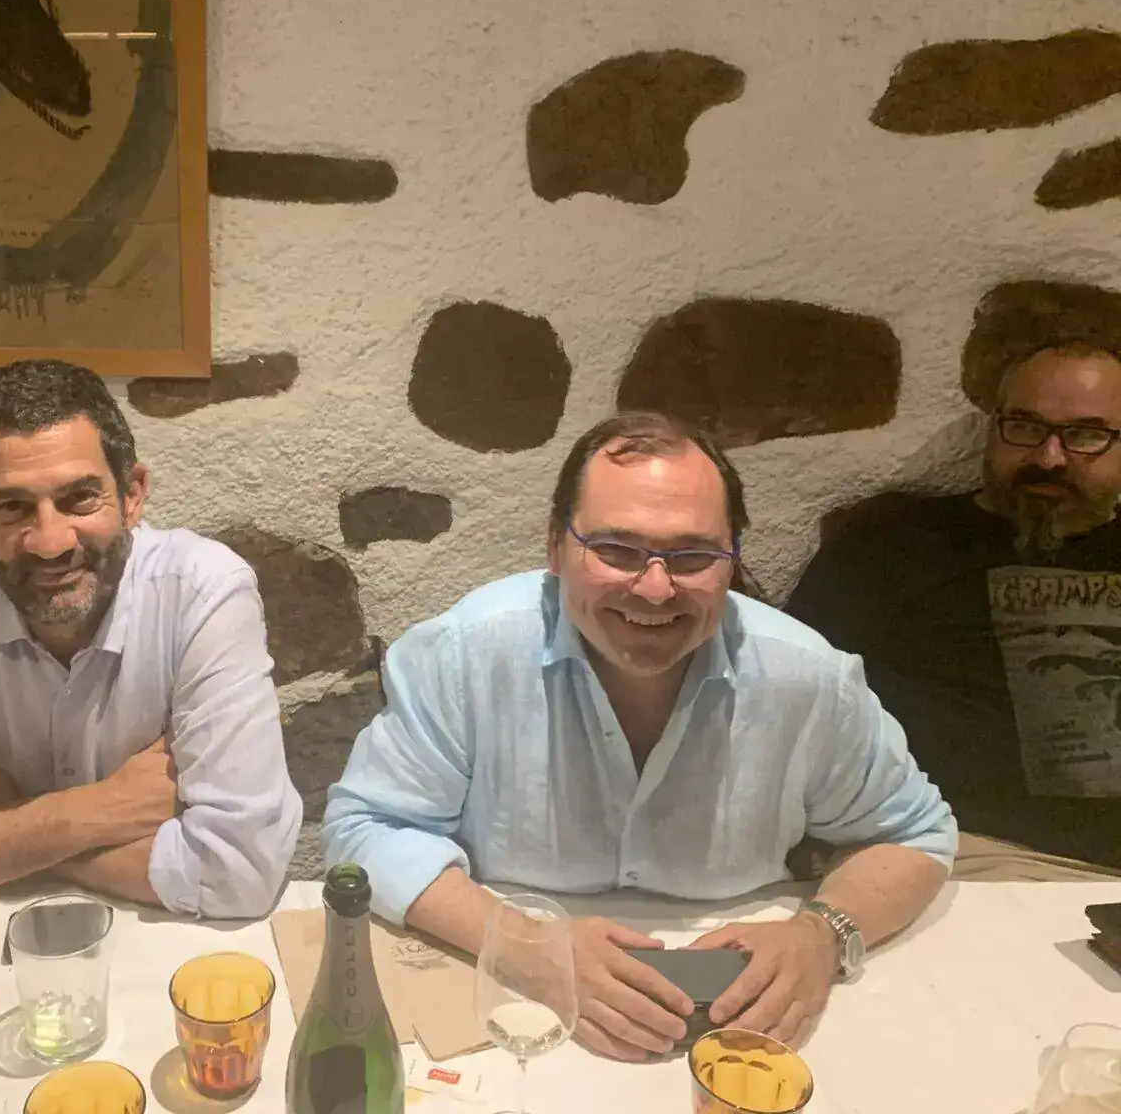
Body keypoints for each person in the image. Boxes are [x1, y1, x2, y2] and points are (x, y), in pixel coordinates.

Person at [323, 411, 955, 1059]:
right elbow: (365, 829)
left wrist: (823, 934)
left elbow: (913, 836)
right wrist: (522, 944)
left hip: (742, 1027)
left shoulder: (809, 677)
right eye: (616, 550)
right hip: (514, 1013)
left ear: (732, 559)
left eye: (694, 555)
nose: (655, 589)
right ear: (555, 547)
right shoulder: (463, 654)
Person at [0, 359, 301, 917]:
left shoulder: (204, 591)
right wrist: (96, 811)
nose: (50, 542)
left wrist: (0, 808)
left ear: (132, 494)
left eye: (80, 499)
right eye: (12, 507)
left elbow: (241, 873)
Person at [786, 341, 1121, 877]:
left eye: (1085, 435)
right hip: (949, 851)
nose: (1049, 458)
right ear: (994, 427)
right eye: (1025, 426)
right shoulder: (893, 545)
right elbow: (787, 700)